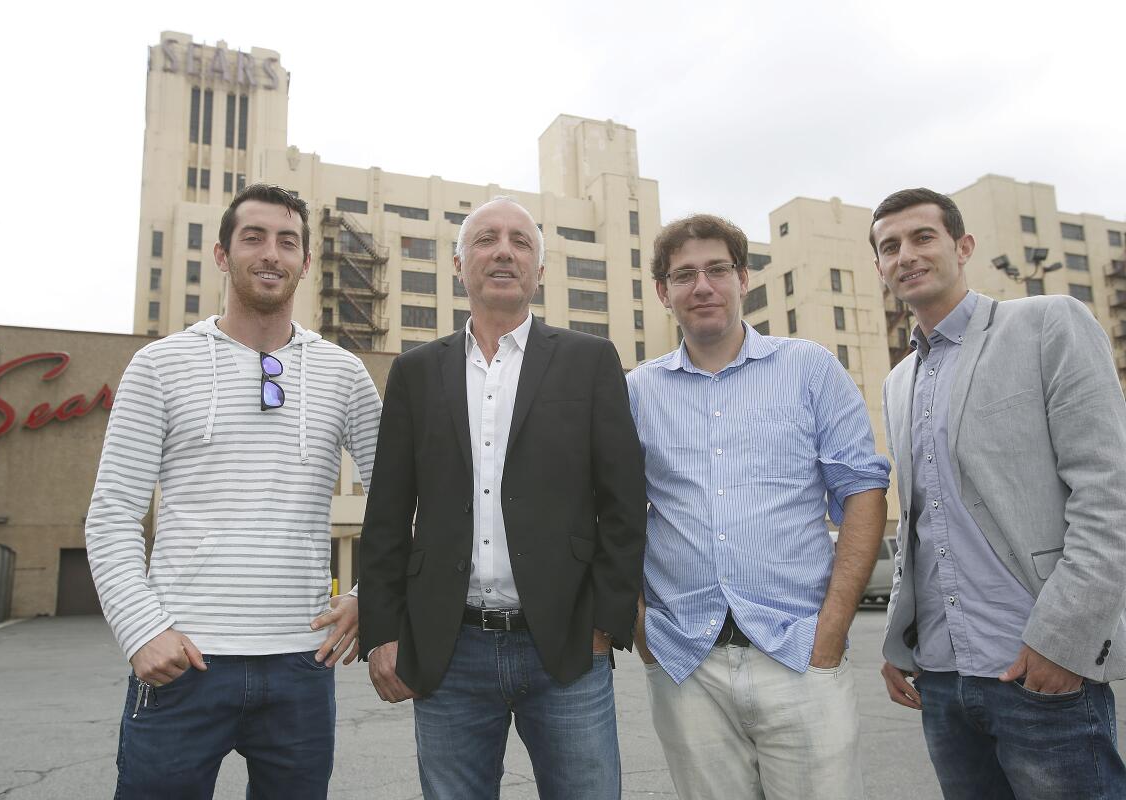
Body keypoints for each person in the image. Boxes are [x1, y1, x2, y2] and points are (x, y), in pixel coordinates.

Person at [86, 183, 382, 798]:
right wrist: (141, 630)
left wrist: (370, 593)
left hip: (303, 665)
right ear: (222, 255)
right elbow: (112, 514)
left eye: (287, 241)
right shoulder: (158, 366)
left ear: (304, 262)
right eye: (253, 238)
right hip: (184, 661)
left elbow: (398, 502)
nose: (271, 253)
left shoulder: (343, 374)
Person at [358, 196, 646, 799]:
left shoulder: (589, 362)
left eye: (521, 241)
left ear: (539, 270)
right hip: (448, 648)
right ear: (460, 264)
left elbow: (623, 501)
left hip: (567, 648)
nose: (504, 251)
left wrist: (606, 624)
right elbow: (386, 514)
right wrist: (383, 632)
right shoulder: (415, 373)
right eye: (486, 239)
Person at [873, 187, 1126, 799]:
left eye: (922, 237)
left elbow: (1108, 494)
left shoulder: (1046, 324)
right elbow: (921, 522)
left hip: (1036, 667)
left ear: (963, 247)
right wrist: (900, 634)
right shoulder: (899, 381)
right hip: (939, 675)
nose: (906, 254)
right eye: (889, 246)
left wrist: (1063, 642)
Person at [627, 213, 890, 800]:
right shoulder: (638, 391)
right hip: (685, 659)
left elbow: (862, 491)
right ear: (664, 291)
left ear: (743, 278)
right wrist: (641, 626)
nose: (702, 286)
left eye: (717, 269)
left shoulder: (810, 369)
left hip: (799, 651)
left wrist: (832, 630)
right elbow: (612, 511)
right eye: (684, 274)